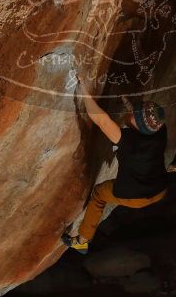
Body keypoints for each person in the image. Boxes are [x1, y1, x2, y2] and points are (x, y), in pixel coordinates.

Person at [62, 76, 168, 254]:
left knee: (98, 195)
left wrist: (86, 93)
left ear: (138, 125)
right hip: (160, 188)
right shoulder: (159, 130)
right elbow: (142, 120)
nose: (130, 113)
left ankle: (82, 240)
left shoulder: (128, 142)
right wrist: (127, 103)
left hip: (135, 196)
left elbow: (102, 121)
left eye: (133, 115)